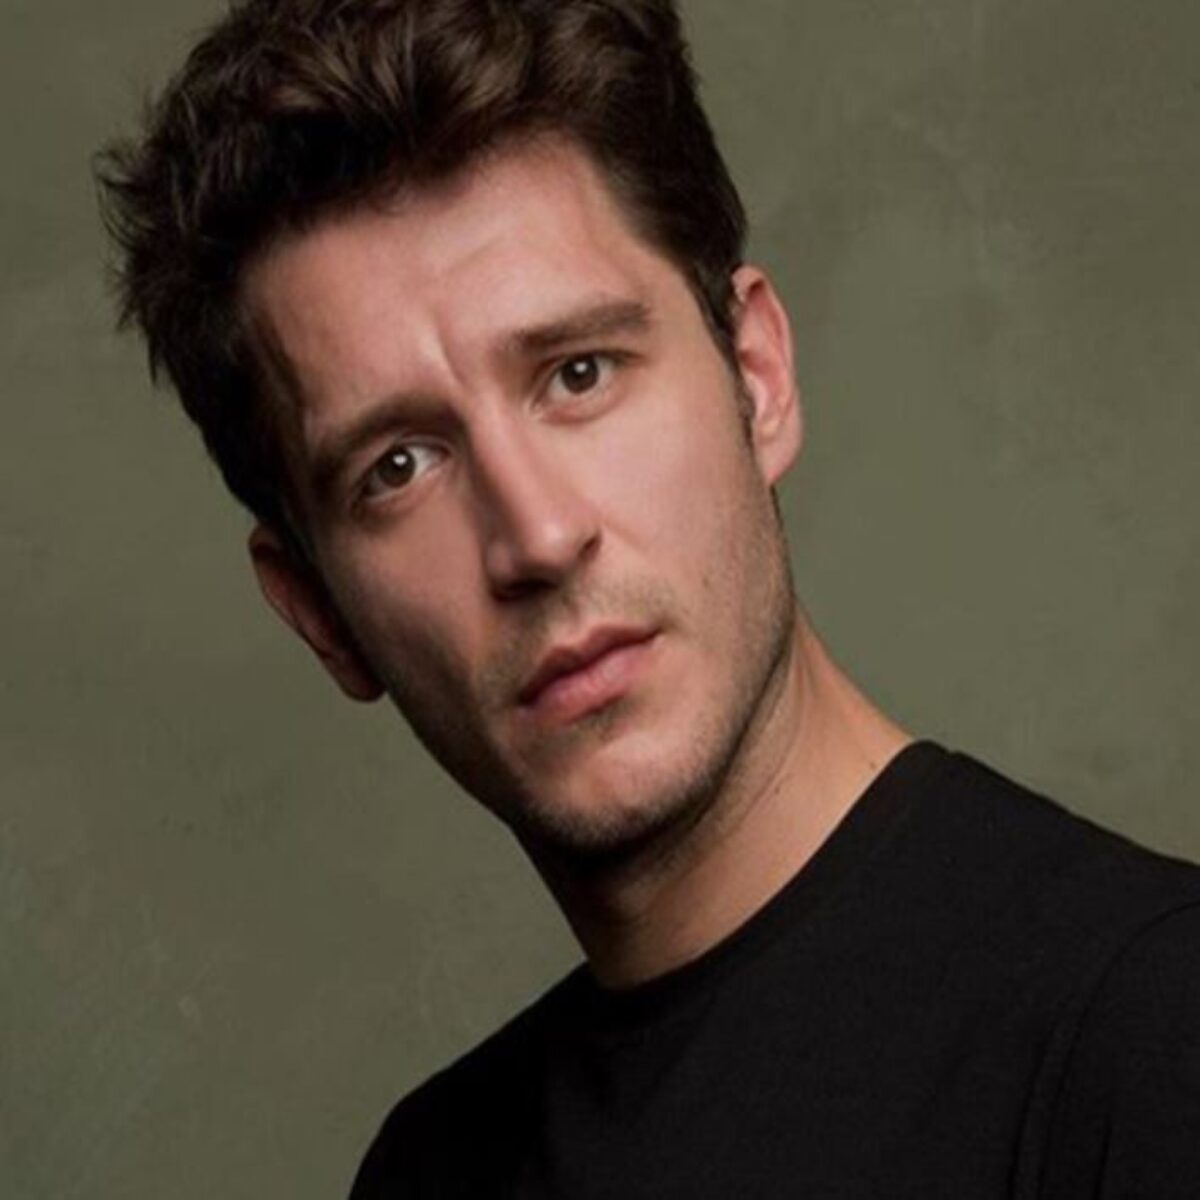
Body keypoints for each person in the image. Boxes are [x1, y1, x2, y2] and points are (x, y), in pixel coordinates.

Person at [96, 1, 1200, 1195]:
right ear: (317, 611)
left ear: (756, 378)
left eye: (579, 374)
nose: (537, 535)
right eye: (399, 466)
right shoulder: (428, 1174)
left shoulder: (1149, 1028)